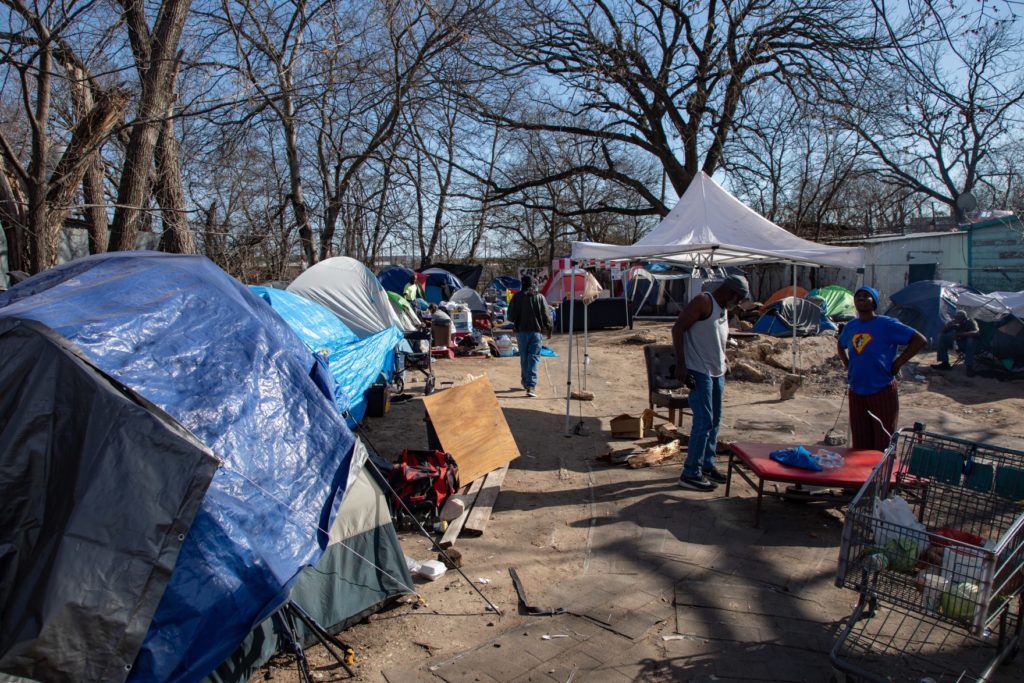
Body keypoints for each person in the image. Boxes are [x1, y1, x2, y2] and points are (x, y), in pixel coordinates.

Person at [673, 274, 751, 491]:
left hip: (716, 371)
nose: (737, 304)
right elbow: (678, 328)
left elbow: (717, 337)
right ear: (731, 293)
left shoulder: (723, 309)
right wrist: (681, 363)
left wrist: (724, 358)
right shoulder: (703, 302)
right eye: (738, 299)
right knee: (704, 420)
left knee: (715, 420)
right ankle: (690, 472)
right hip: (699, 371)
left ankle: (707, 464)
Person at [837, 286, 927, 451]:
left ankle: (880, 475)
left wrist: (898, 362)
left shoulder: (887, 324)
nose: (862, 299)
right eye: (858, 296)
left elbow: (919, 340)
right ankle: (863, 476)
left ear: (874, 302)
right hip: (856, 390)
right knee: (860, 442)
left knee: (883, 442)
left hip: (881, 389)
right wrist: (847, 363)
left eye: (867, 296)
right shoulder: (851, 326)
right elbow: (840, 344)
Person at [507, 275, 552, 397]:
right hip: (536, 333)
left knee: (524, 358)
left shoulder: (517, 297)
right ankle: (531, 385)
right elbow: (546, 316)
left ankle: (526, 382)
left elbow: (510, 317)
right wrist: (549, 329)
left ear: (523, 284)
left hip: (521, 332)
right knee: (533, 358)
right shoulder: (540, 297)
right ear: (534, 284)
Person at [933, 310, 980, 376]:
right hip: (959, 343)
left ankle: (969, 367)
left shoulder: (971, 322)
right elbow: (943, 332)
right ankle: (945, 363)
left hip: (971, 345)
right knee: (942, 337)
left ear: (964, 318)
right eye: (956, 317)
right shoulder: (956, 323)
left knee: (970, 340)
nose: (957, 319)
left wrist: (960, 335)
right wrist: (947, 326)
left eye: (959, 318)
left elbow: (976, 332)